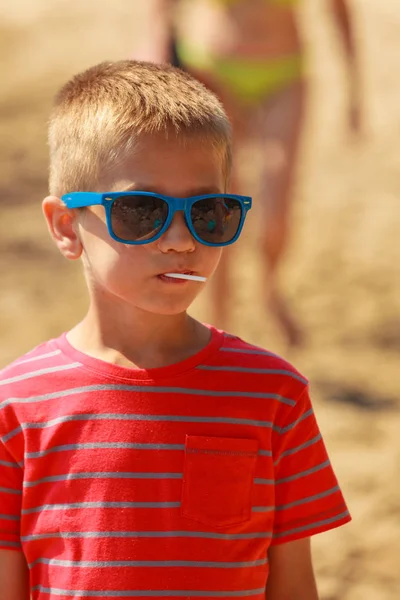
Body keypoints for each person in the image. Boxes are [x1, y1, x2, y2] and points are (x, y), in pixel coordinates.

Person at [0, 60, 351, 600]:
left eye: (209, 211)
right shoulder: (15, 407)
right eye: (142, 211)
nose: (182, 240)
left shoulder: (274, 395)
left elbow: (294, 587)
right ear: (66, 227)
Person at [135, 0, 363, 345]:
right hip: (214, 73)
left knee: (277, 212)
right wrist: (156, 47)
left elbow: (340, 10)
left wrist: (354, 89)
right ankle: (220, 324)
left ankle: (269, 288)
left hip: (285, 75)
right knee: (217, 211)